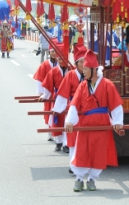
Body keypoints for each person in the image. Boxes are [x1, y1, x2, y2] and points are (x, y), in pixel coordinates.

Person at [65, 49, 124, 192]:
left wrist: (117, 122)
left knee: (98, 153)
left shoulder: (107, 84)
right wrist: (70, 121)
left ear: (93, 70)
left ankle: (92, 179)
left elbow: (116, 105)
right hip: (85, 125)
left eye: (86, 69)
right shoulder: (82, 86)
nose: (83, 72)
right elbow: (74, 105)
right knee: (82, 152)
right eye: (83, 69)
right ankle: (79, 179)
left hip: (102, 125)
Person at [52, 44, 87, 172]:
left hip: (87, 111)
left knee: (85, 138)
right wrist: (57, 109)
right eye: (81, 62)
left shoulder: (90, 75)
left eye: (85, 62)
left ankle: (84, 163)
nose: (84, 64)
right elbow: (62, 93)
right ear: (77, 63)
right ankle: (73, 165)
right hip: (73, 109)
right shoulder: (71, 75)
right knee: (72, 138)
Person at [41, 48, 70, 152]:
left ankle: (67, 144)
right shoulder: (54, 71)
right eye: (60, 58)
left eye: (63, 58)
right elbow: (48, 85)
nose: (61, 61)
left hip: (69, 99)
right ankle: (59, 142)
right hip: (58, 98)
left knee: (68, 121)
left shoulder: (72, 70)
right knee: (57, 120)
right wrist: (44, 96)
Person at [33, 45, 58, 139]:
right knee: (48, 112)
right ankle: (49, 132)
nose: (54, 53)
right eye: (52, 51)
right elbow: (39, 79)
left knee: (60, 113)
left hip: (60, 93)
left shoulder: (62, 64)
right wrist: (42, 93)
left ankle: (58, 133)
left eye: (56, 51)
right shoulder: (45, 64)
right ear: (49, 52)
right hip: (48, 92)